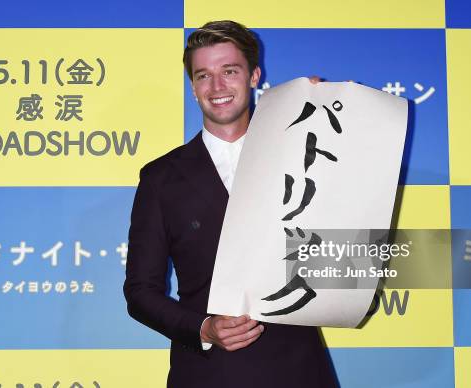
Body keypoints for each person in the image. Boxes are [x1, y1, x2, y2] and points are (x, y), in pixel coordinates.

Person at [123, 20, 338, 388]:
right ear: (193, 87)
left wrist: (335, 115)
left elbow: (347, 247)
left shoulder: (305, 153)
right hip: (210, 373)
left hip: (300, 370)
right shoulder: (161, 179)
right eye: (204, 75)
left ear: (254, 76)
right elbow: (140, 291)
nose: (217, 86)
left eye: (230, 71)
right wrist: (203, 328)